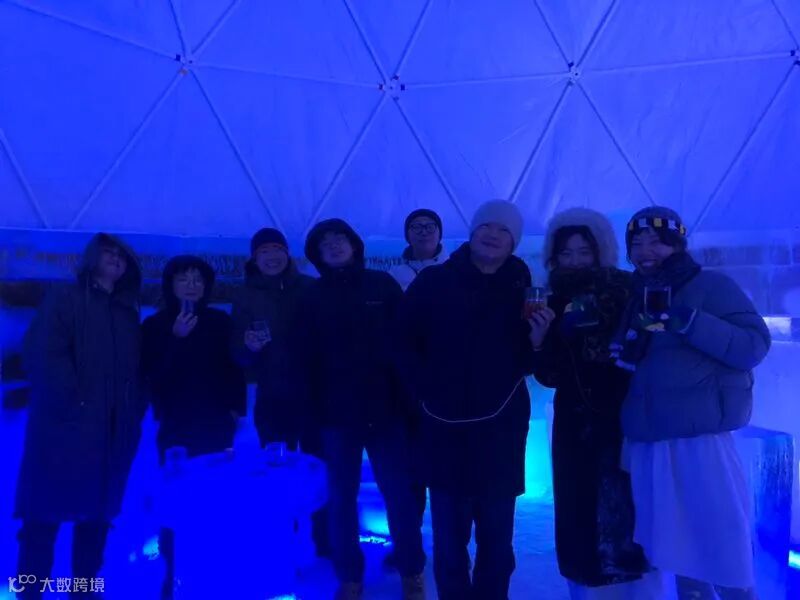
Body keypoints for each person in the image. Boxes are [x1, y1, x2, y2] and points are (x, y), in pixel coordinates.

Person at [613, 206, 771, 600]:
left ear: (677, 244)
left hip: (700, 440)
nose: (646, 251)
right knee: (678, 549)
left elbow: (753, 345)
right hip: (651, 440)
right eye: (637, 243)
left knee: (722, 541)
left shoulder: (712, 286)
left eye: (656, 242)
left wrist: (687, 320)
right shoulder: (634, 295)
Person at [397, 200, 538, 600]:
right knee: (448, 540)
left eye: (504, 230)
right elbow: (401, 342)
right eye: (486, 227)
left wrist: (538, 341)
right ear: (472, 233)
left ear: (514, 242)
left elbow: (530, 361)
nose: (493, 235)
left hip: (501, 430)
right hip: (444, 429)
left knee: (497, 541)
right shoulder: (434, 281)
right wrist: (425, 391)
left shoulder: (524, 288)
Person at [296, 219, 426, 600]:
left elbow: (407, 345)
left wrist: (410, 403)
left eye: (340, 239)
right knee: (340, 500)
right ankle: (349, 578)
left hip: (387, 412)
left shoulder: (381, 285)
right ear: (317, 254)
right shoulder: (311, 296)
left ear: (354, 245)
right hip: (335, 417)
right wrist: (311, 414)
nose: (334, 245)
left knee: (399, 495)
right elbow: (303, 359)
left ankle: (412, 572)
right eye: (325, 242)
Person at [528, 208, 654, 599]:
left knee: (626, 506)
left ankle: (634, 587)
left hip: (622, 415)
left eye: (584, 251)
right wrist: (539, 340)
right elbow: (550, 376)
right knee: (577, 506)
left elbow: (652, 343)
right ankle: (581, 584)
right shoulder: (551, 298)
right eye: (566, 253)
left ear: (602, 250)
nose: (576, 260)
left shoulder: (627, 289)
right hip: (573, 419)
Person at [15, 233, 145, 599]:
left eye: (122, 255)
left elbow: (136, 373)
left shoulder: (126, 314)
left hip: (111, 436)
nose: (116, 259)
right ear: (91, 258)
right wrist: (76, 404)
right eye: (108, 252)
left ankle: (84, 593)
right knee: (42, 522)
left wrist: (133, 412)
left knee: (95, 524)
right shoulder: (65, 298)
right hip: (62, 431)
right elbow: (43, 354)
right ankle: (30, 593)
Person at [141, 255, 246, 600]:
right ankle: (172, 574)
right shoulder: (155, 325)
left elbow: (233, 369)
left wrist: (236, 410)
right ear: (170, 285)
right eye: (184, 279)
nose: (191, 285)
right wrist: (176, 339)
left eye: (198, 280)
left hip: (216, 425)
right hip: (175, 427)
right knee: (175, 499)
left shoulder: (219, 321)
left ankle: (211, 571)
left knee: (215, 498)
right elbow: (152, 378)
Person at [229, 227, 324, 554]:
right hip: (272, 398)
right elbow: (237, 355)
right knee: (277, 470)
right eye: (264, 251)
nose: (271, 256)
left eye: (276, 249)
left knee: (318, 469)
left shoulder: (310, 287)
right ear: (254, 259)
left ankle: (325, 541)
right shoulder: (244, 295)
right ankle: (283, 540)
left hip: (314, 396)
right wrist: (249, 347)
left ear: (287, 253)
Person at [389, 208, 449, 291]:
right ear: (407, 236)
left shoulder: (454, 271)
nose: (424, 232)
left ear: (439, 235)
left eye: (430, 227)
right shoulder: (394, 275)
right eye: (417, 227)